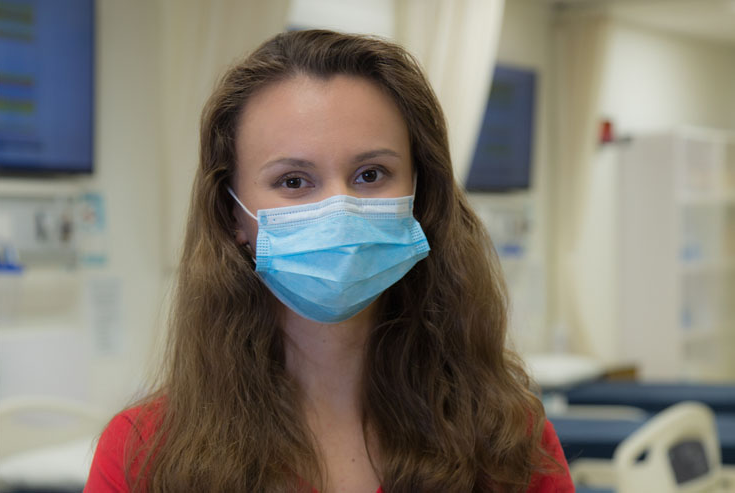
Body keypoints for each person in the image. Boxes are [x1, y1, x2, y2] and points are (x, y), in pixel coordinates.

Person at [85, 29, 574, 492]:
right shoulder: (144, 455)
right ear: (233, 216)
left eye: (371, 174)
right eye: (293, 181)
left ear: (421, 193)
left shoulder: (508, 440)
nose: (341, 210)